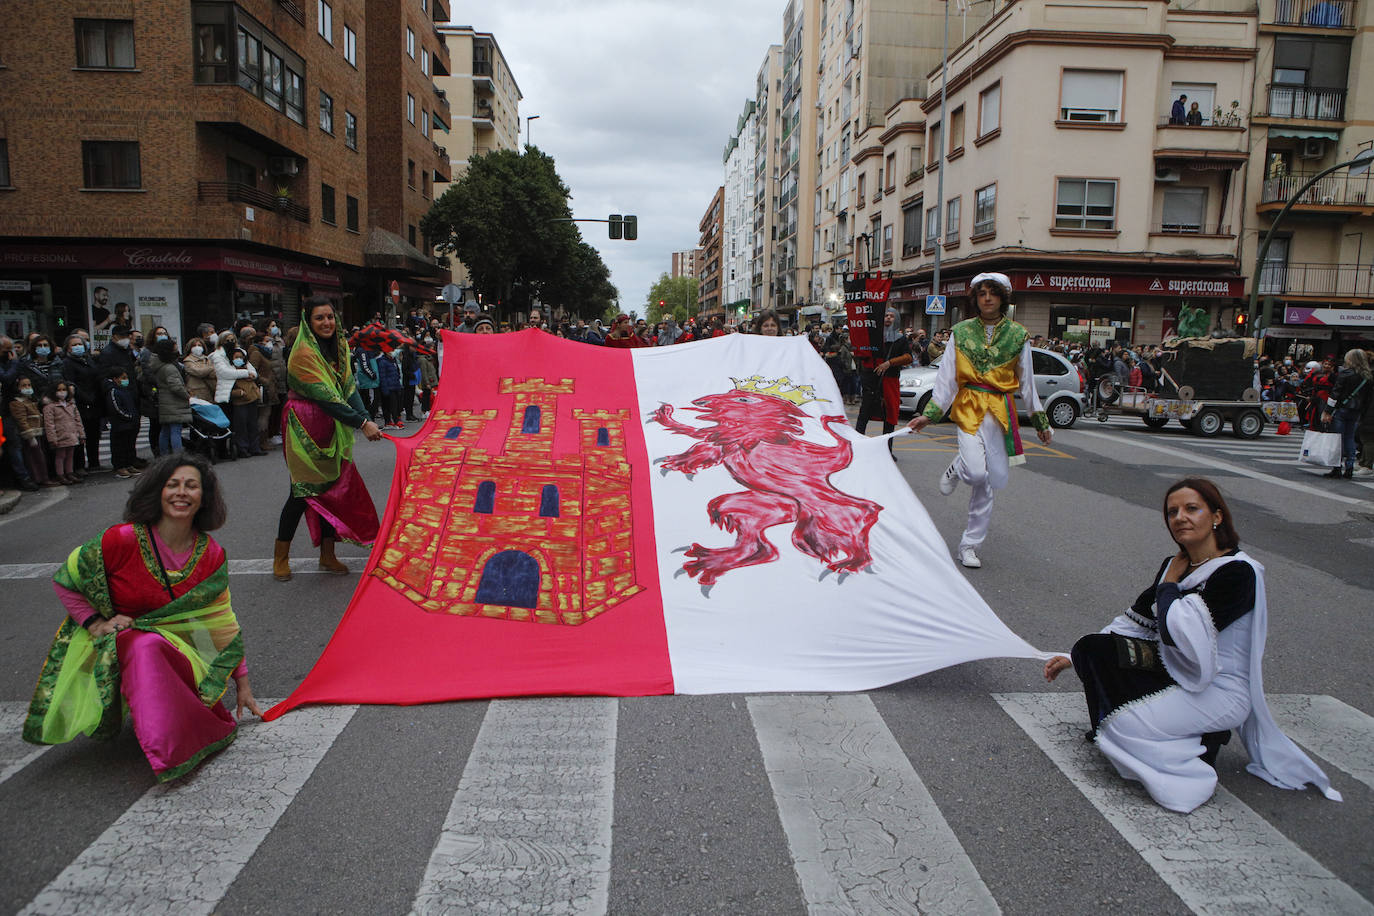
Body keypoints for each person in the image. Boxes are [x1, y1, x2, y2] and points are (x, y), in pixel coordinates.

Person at [1044, 478, 1341, 814]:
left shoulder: (1237, 573)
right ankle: (1150, 735)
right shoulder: (1176, 565)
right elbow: (1134, 622)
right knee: (1093, 650)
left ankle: (1199, 749)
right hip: (1178, 671)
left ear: (1216, 517)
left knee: (1120, 725)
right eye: (1172, 512)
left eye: (1191, 509)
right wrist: (1073, 657)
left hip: (1220, 690)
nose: (1180, 517)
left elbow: (1180, 633)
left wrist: (1169, 585)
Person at [22, 453, 262, 781]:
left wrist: (242, 684)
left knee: (152, 645)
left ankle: (181, 730)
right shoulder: (121, 539)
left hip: (177, 649)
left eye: (191, 486)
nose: (181, 493)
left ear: (203, 498)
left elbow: (220, 623)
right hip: (111, 646)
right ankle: (169, 750)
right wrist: (96, 623)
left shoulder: (211, 555)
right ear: (157, 492)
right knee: (144, 644)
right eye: (172, 485)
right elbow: (67, 580)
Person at [906, 272, 1051, 568]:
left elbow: (1027, 383)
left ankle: (969, 545)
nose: (987, 298)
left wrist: (1041, 422)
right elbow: (946, 380)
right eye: (982, 293)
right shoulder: (960, 331)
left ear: (1002, 297)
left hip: (1000, 411)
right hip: (970, 407)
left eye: (993, 293)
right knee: (975, 473)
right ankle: (959, 465)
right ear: (975, 297)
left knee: (991, 481)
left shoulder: (1018, 334)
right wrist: (928, 416)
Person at [275, 296, 383, 581]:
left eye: (330, 317)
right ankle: (280, 558)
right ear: (308, 323)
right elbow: (327, 397)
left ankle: (327, 555)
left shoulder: (340, 346)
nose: (327, 323)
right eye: (319, 318)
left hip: (331, 425)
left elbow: (348, 388)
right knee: (301, 492)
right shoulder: (302, 354)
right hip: (303, 424)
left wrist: (367, 418)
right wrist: (361, 422)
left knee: (330, 491)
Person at [856, 307, 914, 457]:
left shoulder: (900, 339)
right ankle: (856, 447)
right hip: (872, 381)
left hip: (890, 381)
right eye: (886, 315)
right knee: (864, 414)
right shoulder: (873, 337)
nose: (888, 318)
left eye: (891, 316)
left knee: (890, 417)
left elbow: (908, 357)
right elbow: (862, 355)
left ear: (896, 319)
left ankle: (887, 451)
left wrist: (889, 363)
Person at [1320, 348, 1372, 479]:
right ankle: (1349, 467)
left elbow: (1335, 394)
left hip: (1341, 410)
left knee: (1337, 439)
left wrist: (1327, 411)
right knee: (1350, 438)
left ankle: (1337, 467)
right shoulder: (1367, 377)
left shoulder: (1345, 374)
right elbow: (1367, 399)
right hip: (1356, 411)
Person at [61, 333, 105, 472]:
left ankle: (94, 462)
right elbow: (71, 382)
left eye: (79, 344)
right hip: (80, 403)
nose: (78, 347)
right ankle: (79, 466)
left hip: (94, 402)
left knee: (94, 434)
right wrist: (85, 397)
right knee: (80, 435)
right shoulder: (67, 363)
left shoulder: (89, 360)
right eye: (74, 345)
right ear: (68, 348)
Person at [211, 331, 257, 460]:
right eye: (227, 340)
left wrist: (250, 374)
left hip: (242, 393)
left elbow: (252, 370)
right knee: (224, 426)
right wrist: (245, 373)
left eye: (232, 339)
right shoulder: (217, 355)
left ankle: (245, 448)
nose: (230, 342)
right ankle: (222, 451)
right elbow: (225, 373)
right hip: (226, 393)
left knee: (243, 424)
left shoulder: (239, 352)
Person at [10, 374, 60, 486]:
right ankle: (40, 478)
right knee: (34, 458)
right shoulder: (17, 403)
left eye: (29, 385)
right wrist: (30, 436)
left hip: (38, 432)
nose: (27, 387)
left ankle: (44, 477)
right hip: (30, 435)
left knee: (41, 456)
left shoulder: (30, 400)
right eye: (24, 385)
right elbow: (21, 420)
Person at [149, 338, 191, 455]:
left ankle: (164, 454)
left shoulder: (159, 366)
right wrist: (187, 395)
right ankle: (178, 455)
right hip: (174, 403)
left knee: (166, 430)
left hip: (165, 402)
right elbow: (176, 387)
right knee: (175, 431)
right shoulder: (169, 368)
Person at [44, 378, 87, 485]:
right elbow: (49, 424)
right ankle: (60, 474)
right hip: (60, 435)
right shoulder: (50, 407)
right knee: (60, 456)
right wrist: (52, 438)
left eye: (64, 389)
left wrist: (81, 435)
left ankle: (69, 472)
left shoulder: (71, 405)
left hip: (71, 434)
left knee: (70, 455)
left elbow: (78, 421)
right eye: (59, 390)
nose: (62, 392)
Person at [104, 367, 143, 478]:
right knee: (119, 446)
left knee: (129, 445)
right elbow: (116, 408)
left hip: (131, 424)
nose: (126, 380)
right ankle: (120, 467)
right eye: (123, 378)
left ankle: (128, 464)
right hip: (120, 424)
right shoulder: (113, 391)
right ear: (115, 379)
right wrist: (128, 416)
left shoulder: (125, 390)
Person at [245, 328, 278, 452]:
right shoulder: (256, 353)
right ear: (260, 342)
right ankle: (260, 441)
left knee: (267, 415)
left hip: (270, 388)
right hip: (263, 388)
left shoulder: (265, 353)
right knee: (263, 416)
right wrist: (265, 381)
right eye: (266, 340)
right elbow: (254, 370)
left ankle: (264, 439)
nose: (269, 342)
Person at [375, 345, 404, 429]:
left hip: (395, 385)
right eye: (390, 350)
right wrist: (385, 389)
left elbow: (397, 372)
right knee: (389, 405)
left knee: (395, 404)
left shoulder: (392, 360)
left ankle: (393, 421)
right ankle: (392, 421)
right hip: (388, 386)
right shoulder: (382, 361)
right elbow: (382, 376)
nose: (392, 352)